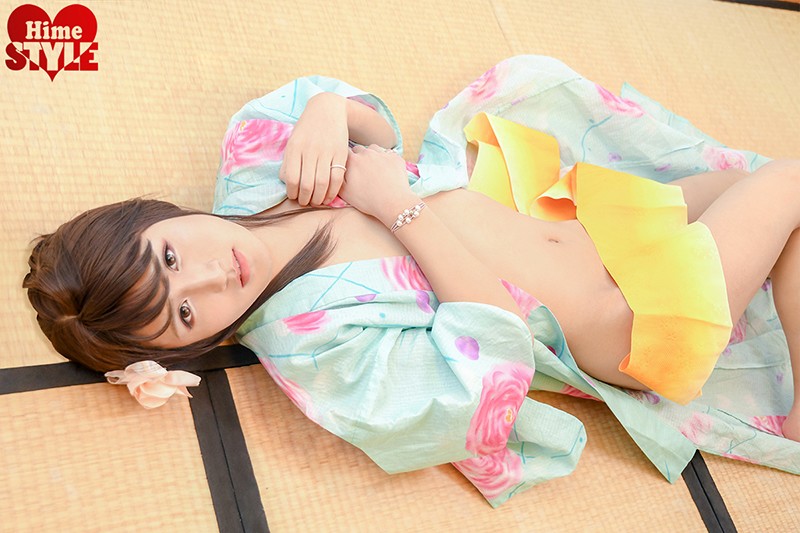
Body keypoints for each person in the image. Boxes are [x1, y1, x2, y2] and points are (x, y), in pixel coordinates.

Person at [23, 56, 800, 507]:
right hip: (626, 317)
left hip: (599, 218)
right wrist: (399, 208)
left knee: (770, 199)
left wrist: (330, 108)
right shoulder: (317, 350)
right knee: (791, 184)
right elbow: (495, 355)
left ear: (154, 215)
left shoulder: (256, 160)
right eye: (187, 312)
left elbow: (379, 132)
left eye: (168, 256)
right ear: (190, 348)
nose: (209, 274)